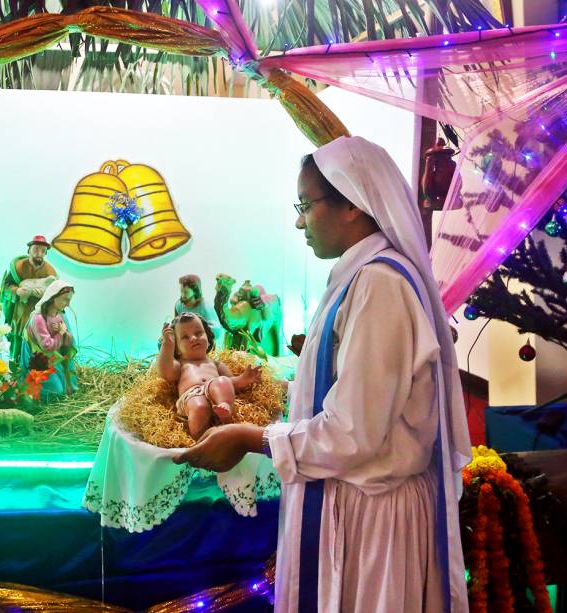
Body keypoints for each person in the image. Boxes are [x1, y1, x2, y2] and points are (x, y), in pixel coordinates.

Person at [176, 136, 471, 612]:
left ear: (353, 205)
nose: (298, 221)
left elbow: (353, 433)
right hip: (354, 502)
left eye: (306, 205)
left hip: (373, 518)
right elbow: (348, 390)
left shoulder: (380, 285)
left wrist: (250, 437)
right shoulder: (357, 274)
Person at [158, 312, 261, 440]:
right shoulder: (180, 365)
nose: (194, 338)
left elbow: (231, 382)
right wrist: (167, 344)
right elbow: (165, 372)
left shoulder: (215, 364)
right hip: (192, 396)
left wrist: (243, 379)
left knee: (222, 381)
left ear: (207, 336)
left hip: (217, 397)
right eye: (185, 337)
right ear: (177, 348)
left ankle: (225, 411)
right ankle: (202, 439)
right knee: (199, 406)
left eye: (198, 333)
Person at [0, 235, 59, 360]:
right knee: (18, 336)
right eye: (36, 249)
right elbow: (6, 285)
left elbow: (56, 293)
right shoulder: (18, 267)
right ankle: (16, 363)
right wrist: (17, 291)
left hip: (39, 313)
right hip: (21, 311)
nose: (39, 254)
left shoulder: (50, 272)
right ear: (29, 250)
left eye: (43, 251)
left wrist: (44, 295)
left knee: (37, 339)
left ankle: (35, 367)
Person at [22, 280, 77, 397]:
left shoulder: (59, 316)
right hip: (41, 362)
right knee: (56, 391)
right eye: (65, 299)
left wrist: (65, 334)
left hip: (56, 359)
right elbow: (46, 346)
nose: (68, 304)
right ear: (53, 297)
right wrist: (60, 334)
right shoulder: (38, 319)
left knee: (67, 387)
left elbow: (68, 341)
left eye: (69, 300)